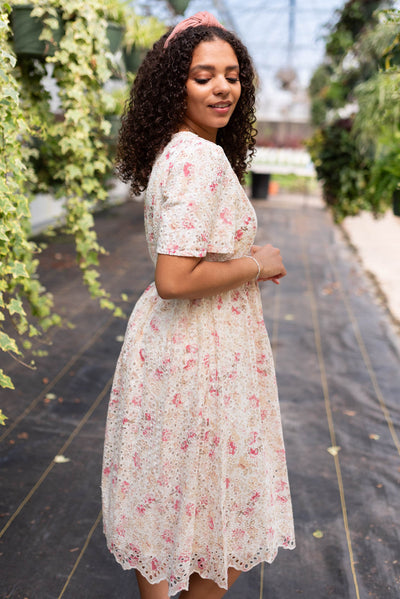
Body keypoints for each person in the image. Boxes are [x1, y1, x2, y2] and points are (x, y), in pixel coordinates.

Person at [102, 11, 295, 599]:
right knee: (211, 524)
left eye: (232, 75)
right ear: (173, 86)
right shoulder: (199, 159)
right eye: (203, 76)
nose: (222, 88)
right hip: (201, 357)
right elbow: (175, 278)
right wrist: (258, 264)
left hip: (177, 348)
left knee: (173, 509)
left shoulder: (179, 152)